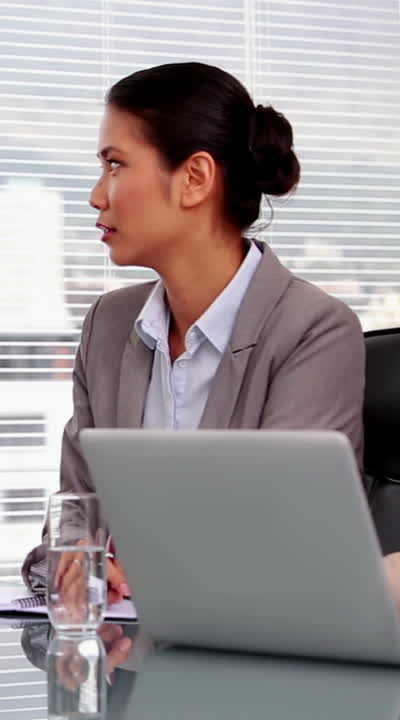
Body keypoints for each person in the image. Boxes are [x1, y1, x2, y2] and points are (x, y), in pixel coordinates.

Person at [22, 62, 365, 601]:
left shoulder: (313, 332)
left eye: (115, 165)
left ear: (195, 178)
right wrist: (77, 564)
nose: (96, 195)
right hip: (124, 647)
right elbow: (69, 525)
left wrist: (140, 572)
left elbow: (288, 545)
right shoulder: (107, 326)